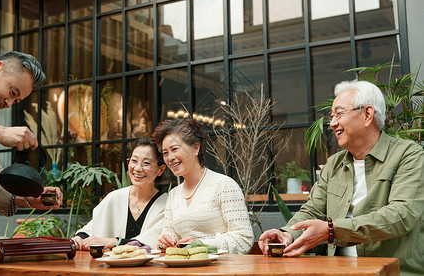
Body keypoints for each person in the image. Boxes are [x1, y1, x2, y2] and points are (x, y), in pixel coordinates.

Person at [258, 80, 423, 276]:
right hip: (340, 271)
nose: (332, 122)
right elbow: (312, 210)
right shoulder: (334, 163)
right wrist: (286, 234)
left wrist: (332, 230)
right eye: (332, 116)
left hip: (393, 272)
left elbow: (401, 215)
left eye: (339, 113)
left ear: (367, 115)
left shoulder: (408, 155)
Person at [0, 51, 62, 216]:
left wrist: (28, 198)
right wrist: (1, 133)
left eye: (15, 101)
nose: (8, 104)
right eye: (12, 93)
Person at [154, 118, 254, 254]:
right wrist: (163, 243)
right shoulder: (174, 194)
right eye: (165, 153)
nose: (170, 158)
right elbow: (168, 237)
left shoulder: (224, 185)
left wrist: (201, 245)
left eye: (175, 149)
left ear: (196, 148)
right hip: (185, 269)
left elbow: (244, 240)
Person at [72, 136, 168, 251]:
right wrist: (79, 238)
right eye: (134, 161)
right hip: (109, 267)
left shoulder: (167, 204)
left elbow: (150, 242)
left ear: (161, 170)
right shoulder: (115, 198)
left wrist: (113, 242)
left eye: (146, 163)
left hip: (148, 268)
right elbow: (93, 227)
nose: (137, 168)